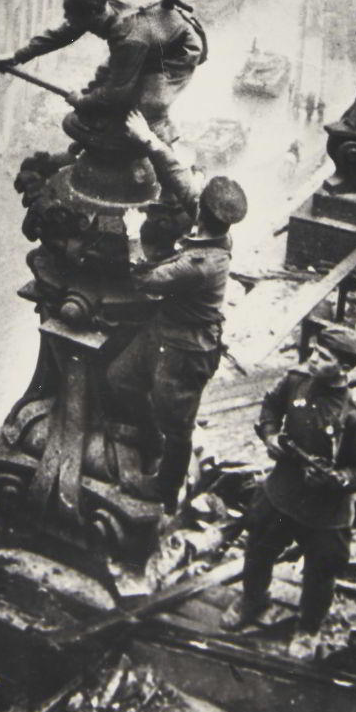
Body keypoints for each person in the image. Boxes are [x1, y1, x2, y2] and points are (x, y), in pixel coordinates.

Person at [106, 111, 248, 512]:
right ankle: (151, 437)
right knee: (121, 378)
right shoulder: (212, 225)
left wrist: (133, 235)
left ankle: (164, 488)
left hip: (188, 348)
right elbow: (178, 175)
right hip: (166, 330)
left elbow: (146, 280)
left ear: (202, 211)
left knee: (179, 424)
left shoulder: (201, 264)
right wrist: (148, 138)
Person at [220, 325, 356, 660]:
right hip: (281, 492)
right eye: (314, 352)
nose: (313, 360)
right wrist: (270, 436)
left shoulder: (354, 418)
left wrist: (336, 478)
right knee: (258, 550)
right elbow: (271, 406)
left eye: (324, 358)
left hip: (325, 512)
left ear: (345, 369)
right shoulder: (295, 382)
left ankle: (308, 629)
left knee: (320, 573)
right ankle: (253, 600)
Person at [0, 0, 205, 140]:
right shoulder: (101, 7)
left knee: (148, 110)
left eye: (70, 13)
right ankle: (99, 117)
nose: (66, 17)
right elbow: (64, 34)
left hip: (177, 53)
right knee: (103, 76)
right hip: (152, 40)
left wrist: (81, 101)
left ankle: (162, 147)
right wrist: (16, 57)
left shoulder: (129, 40)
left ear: (92, 14)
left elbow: (117, 91)